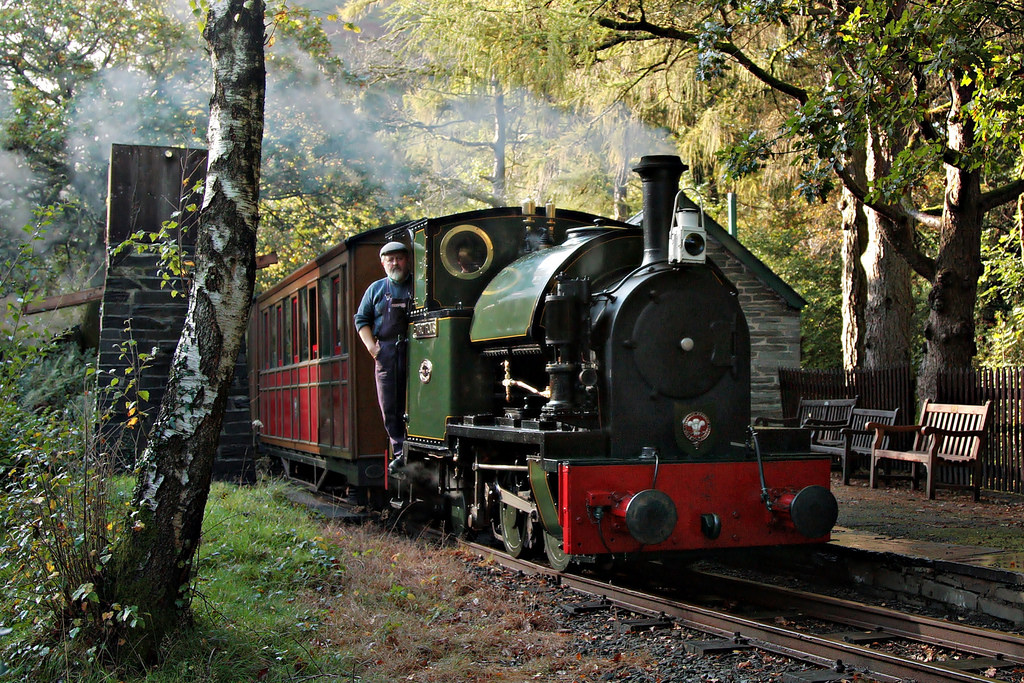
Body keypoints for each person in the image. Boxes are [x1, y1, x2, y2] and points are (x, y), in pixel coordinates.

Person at [354, 241, 412, 474]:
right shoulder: (376, 289)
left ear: (407, 260)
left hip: (417, 349)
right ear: (383, 263)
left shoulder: (417, 286)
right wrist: (372, 348)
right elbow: (361, 320)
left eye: (399, 258)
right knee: (390, 404)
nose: (395, 263)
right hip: (387, 351)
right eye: (390, 260)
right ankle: (399, 451)